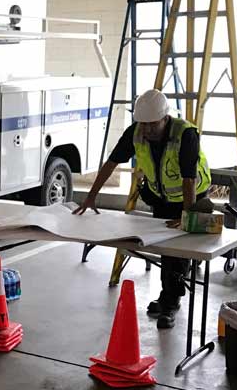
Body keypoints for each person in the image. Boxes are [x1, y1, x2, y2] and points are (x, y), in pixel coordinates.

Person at [73, 89, 212, 329]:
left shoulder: (185, 134)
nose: (147, 130)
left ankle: (171, 302)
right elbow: (111, 163)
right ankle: (167, 295)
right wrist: (90, 197)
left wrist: (186, 217)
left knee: (176, 251)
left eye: (152, 124)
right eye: (143, 124)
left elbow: (188, 178)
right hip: (162, 197)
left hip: (190, 196)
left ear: (165, 118)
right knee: (165, 249)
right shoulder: (135, 133)